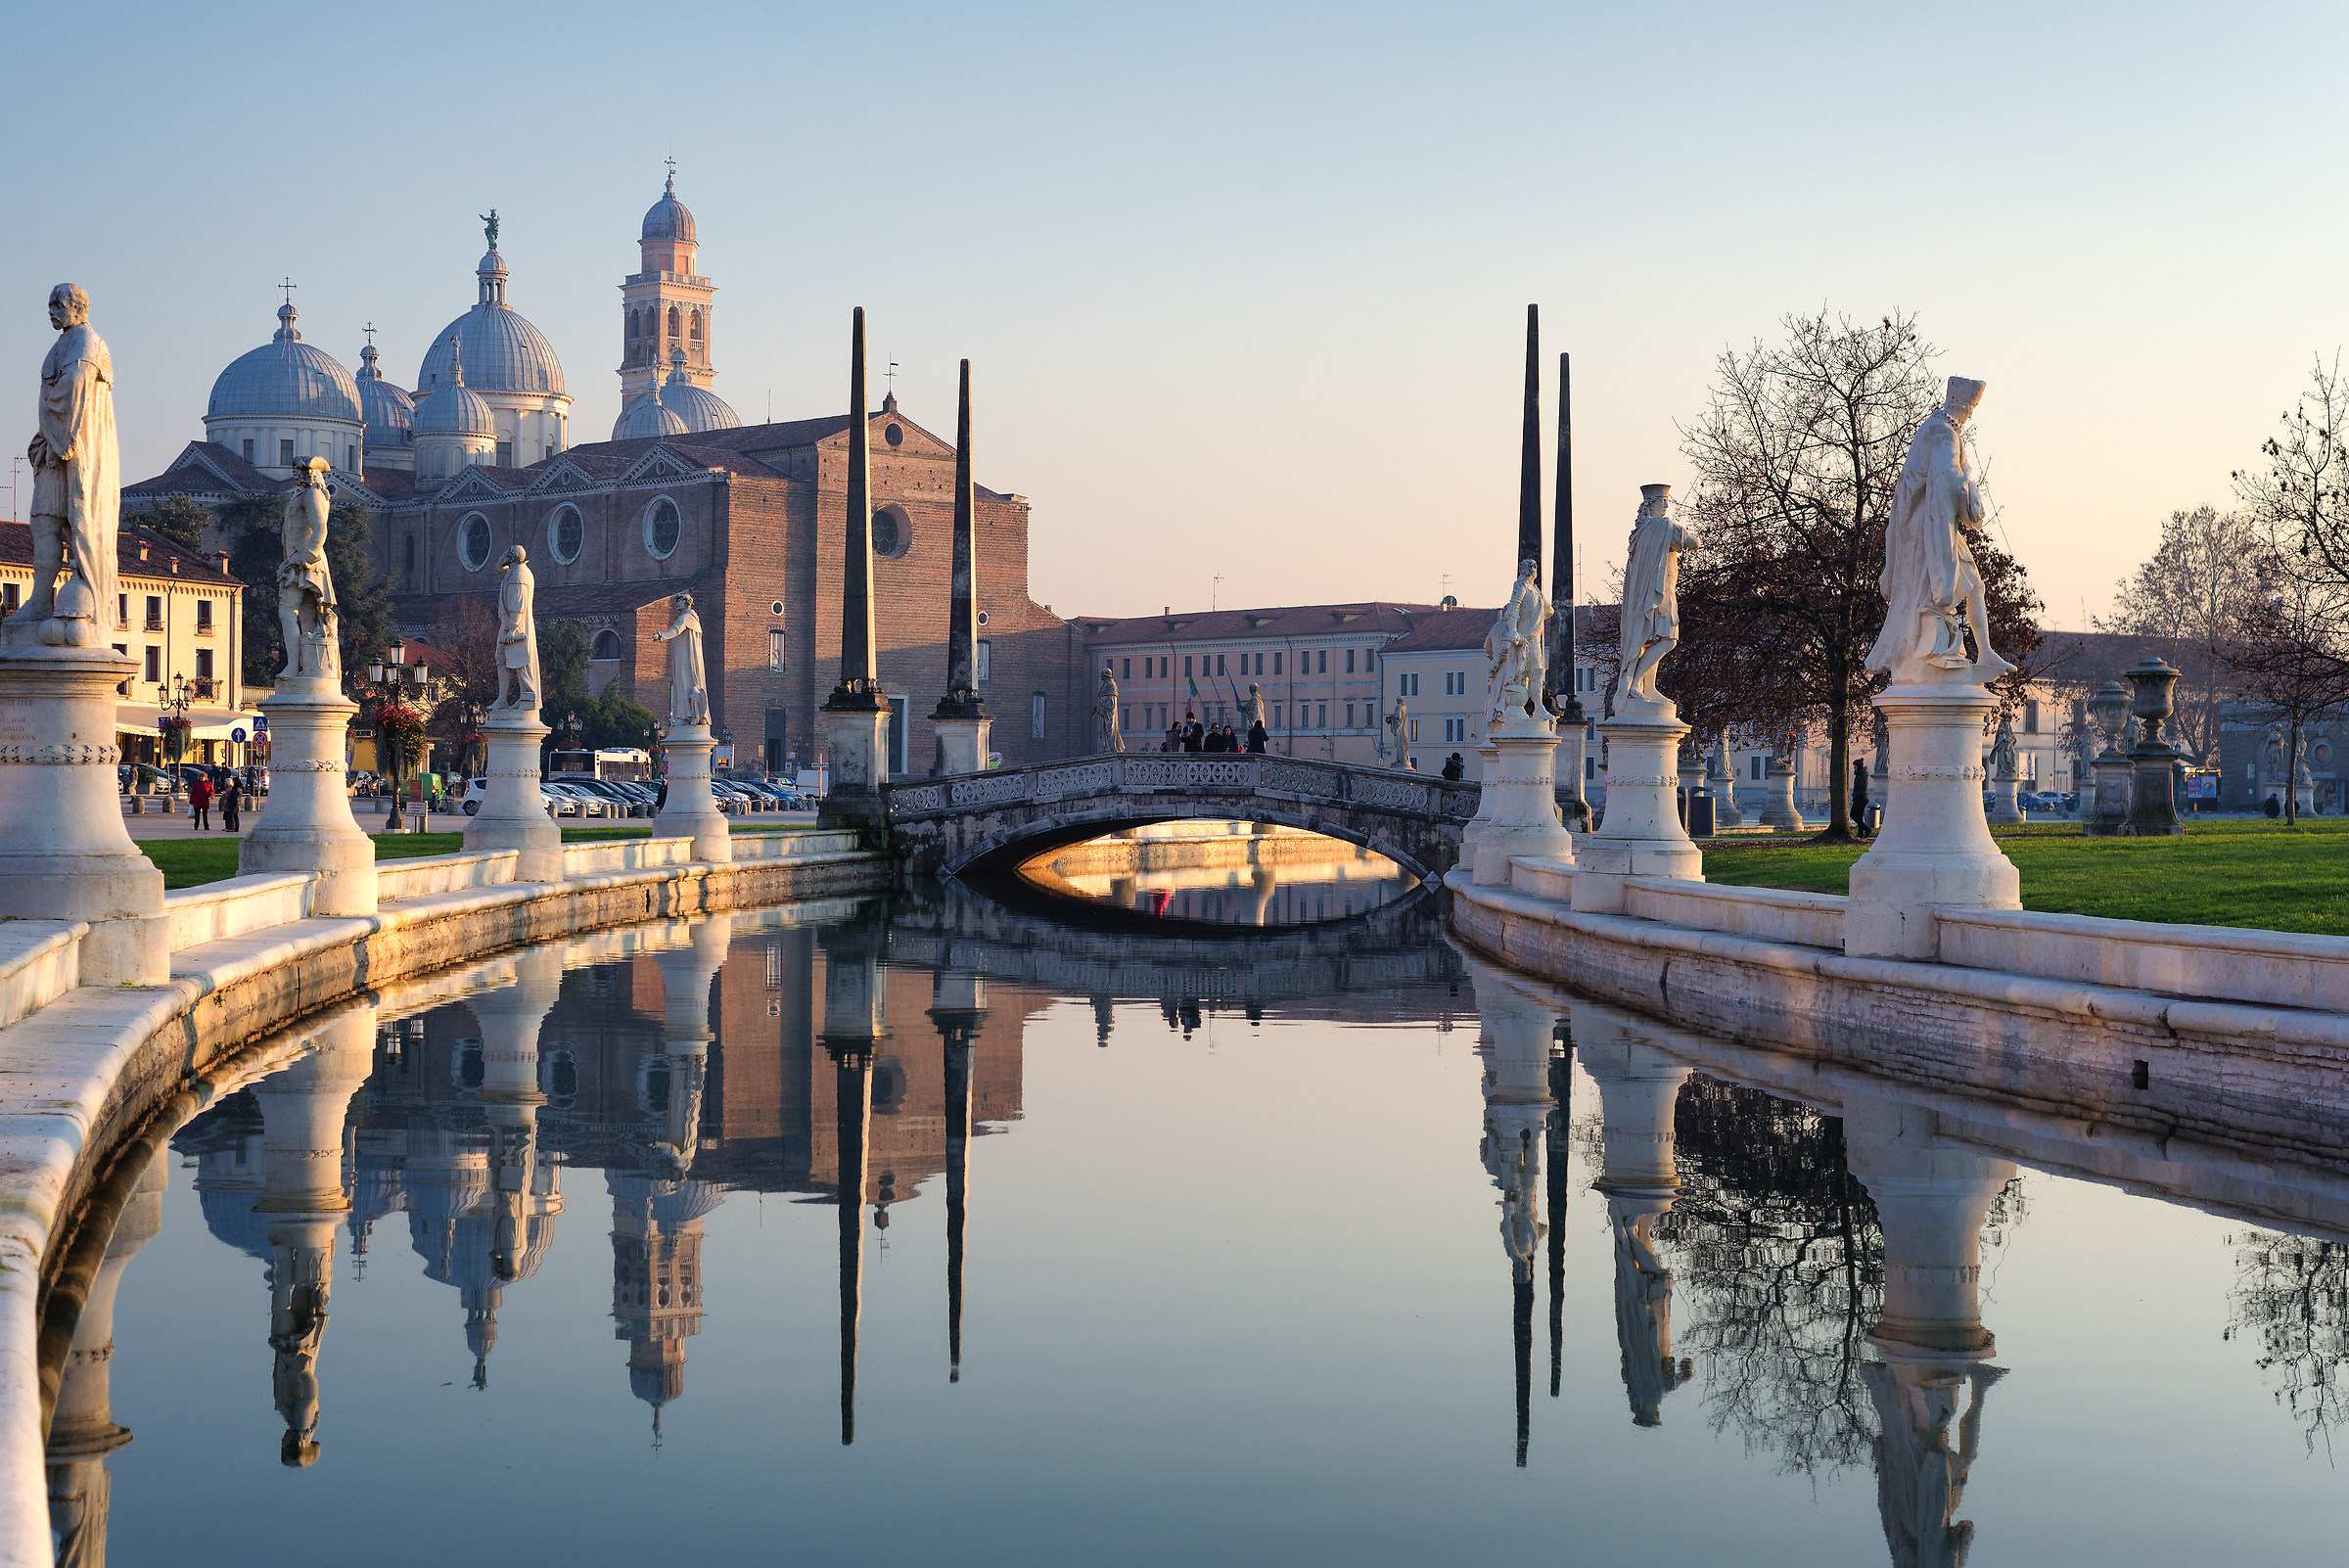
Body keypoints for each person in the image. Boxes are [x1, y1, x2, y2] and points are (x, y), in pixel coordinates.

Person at [1850, 759, 1870, 837]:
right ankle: (1860, 833)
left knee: (1854, 815)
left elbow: (1863, 788)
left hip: (1861, 798)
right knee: (1858, 817)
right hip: (1859, 798)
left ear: (1858, 766)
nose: (1854, 767)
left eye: (1855, 766)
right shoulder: (1859, 775)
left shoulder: (1862, 775)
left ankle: (1866, 829)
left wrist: (1856, 794)